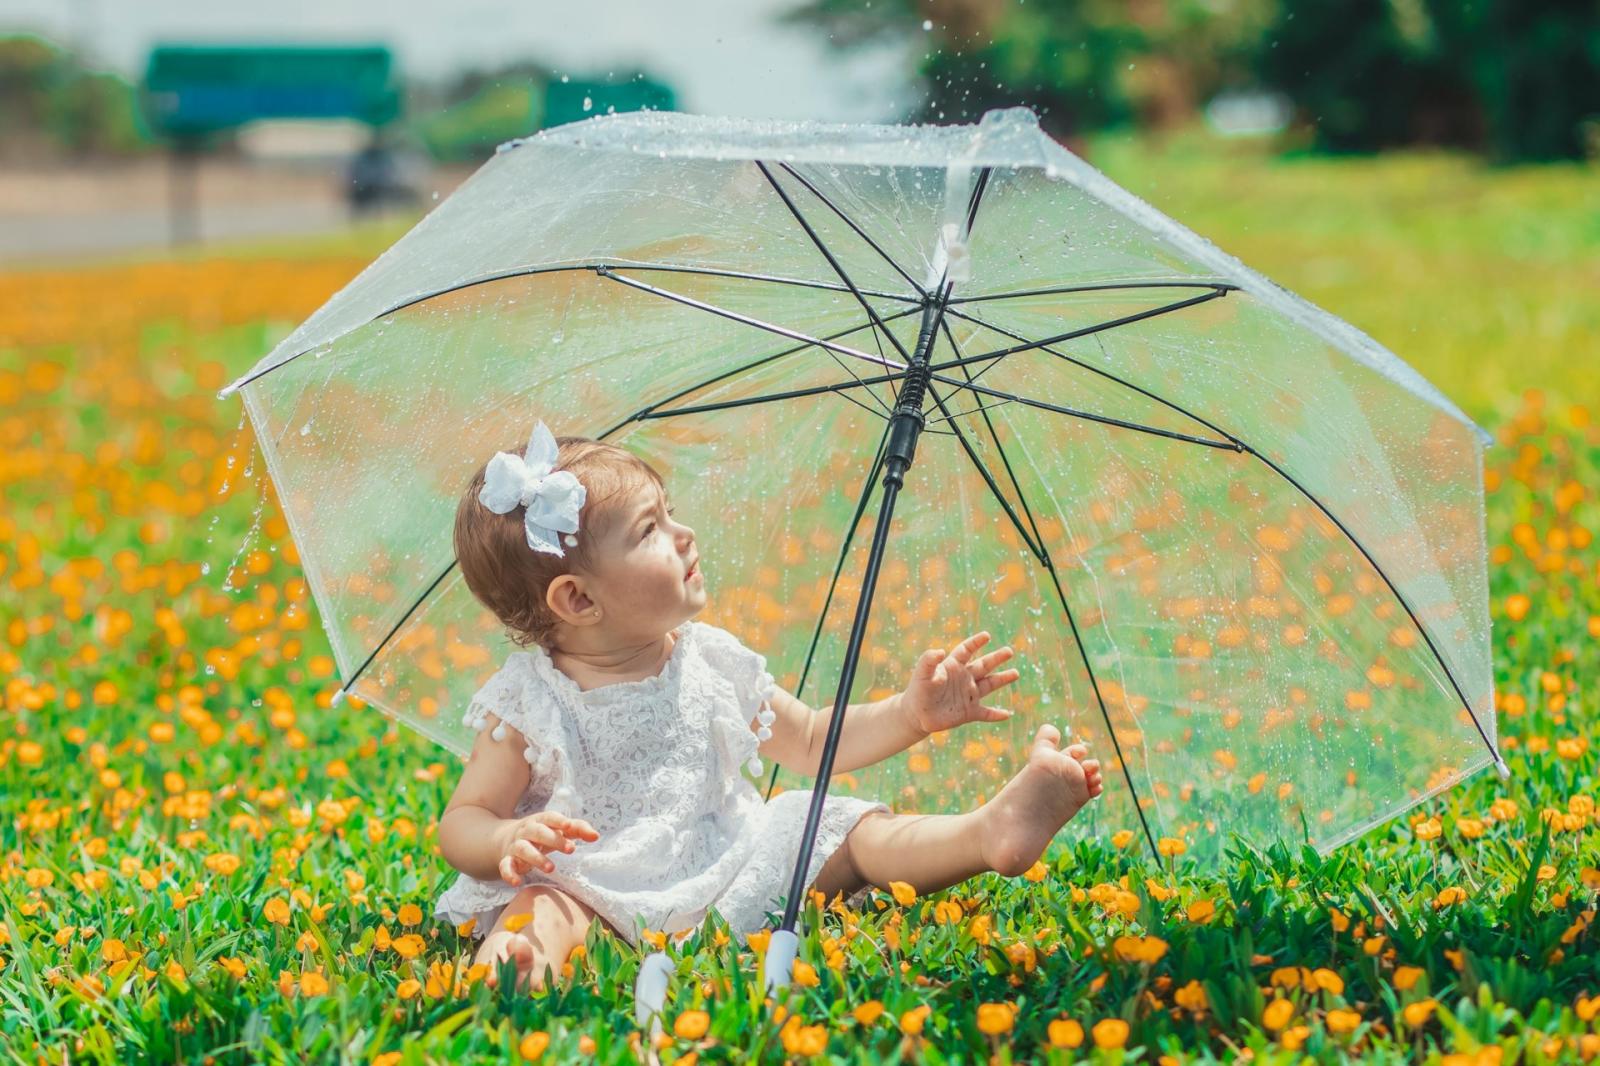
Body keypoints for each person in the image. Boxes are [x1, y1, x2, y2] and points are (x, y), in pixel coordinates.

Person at [433, 418, 1104, 991]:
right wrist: (502, 840)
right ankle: (515, 966)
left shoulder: (709, 659)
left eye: (669, 514)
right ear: (578, 600)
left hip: (731, 873)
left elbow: (812, 739)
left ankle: (984, 833)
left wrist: (909, 714)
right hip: (593, 892)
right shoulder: (532, 699)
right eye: (650, 532)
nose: (686, 534)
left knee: (836, 826)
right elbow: (464, 817)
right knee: (540, 906)